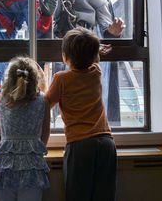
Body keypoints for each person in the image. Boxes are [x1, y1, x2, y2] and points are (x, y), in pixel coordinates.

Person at [46, 27, 117, 201]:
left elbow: (46, 103)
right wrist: (94, 50)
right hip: (107, 143)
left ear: (65, 57)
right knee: (104, 195)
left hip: (80, 145)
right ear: (94, 57)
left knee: (77, 195)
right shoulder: (96, 72)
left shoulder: (61, 79)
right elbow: (93, 60)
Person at [52, 0, 125, 124]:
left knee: (94, 101)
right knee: (68, 102)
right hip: (67, 57)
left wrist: (113, 32)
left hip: (91, 60)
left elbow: (107, 31)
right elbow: (52, 27)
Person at [0, 57, 51, 201]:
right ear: (35, 79)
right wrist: (38, 148)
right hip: (32, 165)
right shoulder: (43, 100)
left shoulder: (1, 99)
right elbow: (46, 129)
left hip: (6, 164)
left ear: (9, 79)